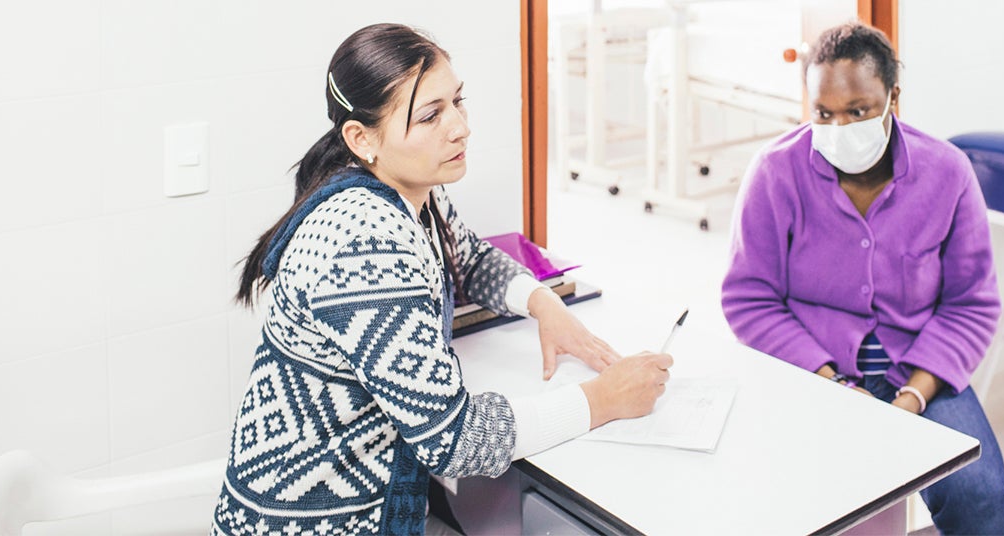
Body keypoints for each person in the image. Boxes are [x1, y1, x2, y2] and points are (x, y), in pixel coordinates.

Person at [212, 23, 672, 535]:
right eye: (430, 115)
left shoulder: (404, 186)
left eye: (458, 101)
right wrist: (604, 399)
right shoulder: (364, 239)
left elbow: (466, 257)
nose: (459, 127)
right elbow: (453, 442)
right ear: (361, 138)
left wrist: (543, 303)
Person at [721, 22, 1004, 535]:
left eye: (857, 111)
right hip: (811, 373)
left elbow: (971, 304)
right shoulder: (775, 173)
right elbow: (749, 298)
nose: (840, 127)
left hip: (922, 374)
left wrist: (914, 398)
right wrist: (831, 383)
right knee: (817, 505)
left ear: (892, 98)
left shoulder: (947, 172)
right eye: (823, 113)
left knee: (981, 499)